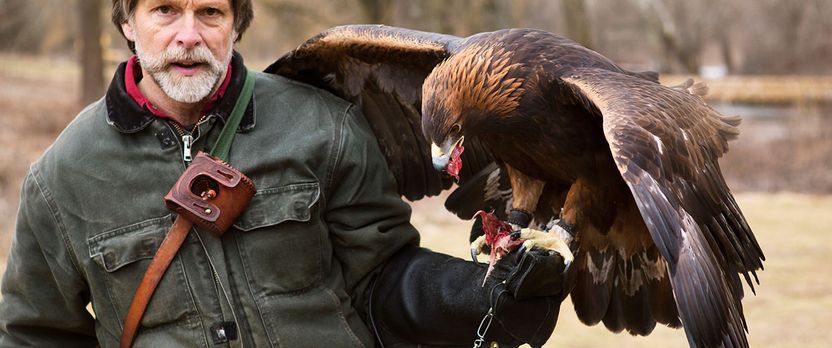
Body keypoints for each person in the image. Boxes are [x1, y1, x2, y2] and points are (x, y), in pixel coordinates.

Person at [0, 0, 569, 347]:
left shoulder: (324, 125)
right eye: (165, 9)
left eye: (211, 13)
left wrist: (474, 296)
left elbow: (381, 281)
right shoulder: (63, 178)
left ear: (236, 24)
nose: (189, 36)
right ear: (128, 21)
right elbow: (34, 333)